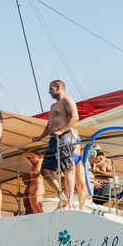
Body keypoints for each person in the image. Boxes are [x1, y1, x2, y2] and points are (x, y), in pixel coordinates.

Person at [32, 80, 79, 210]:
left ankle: (68, 201)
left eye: (51, 89)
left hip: (65, 137)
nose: (49, 91)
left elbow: (75, 117)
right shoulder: (53, 106)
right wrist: (40, 137)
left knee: (67, 170)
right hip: (53, 139)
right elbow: (49, 125)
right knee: (45, 170)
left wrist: (62, 131)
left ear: (58, 88)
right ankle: (62, 196)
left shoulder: (67, 100)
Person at [22, 150, 44, 214]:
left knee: (38, 208)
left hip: (38, 186)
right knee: (33, 209)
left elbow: (38, 170)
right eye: (31, 158)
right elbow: (24, 155)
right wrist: (32, 154)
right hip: (31, 188)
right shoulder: (33, 165)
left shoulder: (42, 163)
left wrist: (40, 159)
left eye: (33, 157)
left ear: (38, 156)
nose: (32, 159)